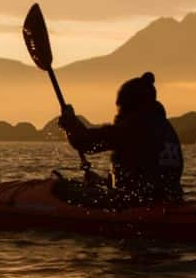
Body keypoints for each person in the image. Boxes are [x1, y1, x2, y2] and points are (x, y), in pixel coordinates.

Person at [57, 71, 184, 206]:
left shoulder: (134, 127)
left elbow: (84, 142)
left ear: (128, 105)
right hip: (170, 200)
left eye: (119, 108)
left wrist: (70, 122)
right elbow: (147, 174)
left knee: (59, 188)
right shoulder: (165, 127)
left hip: (137, 204)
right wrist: (102, 181)